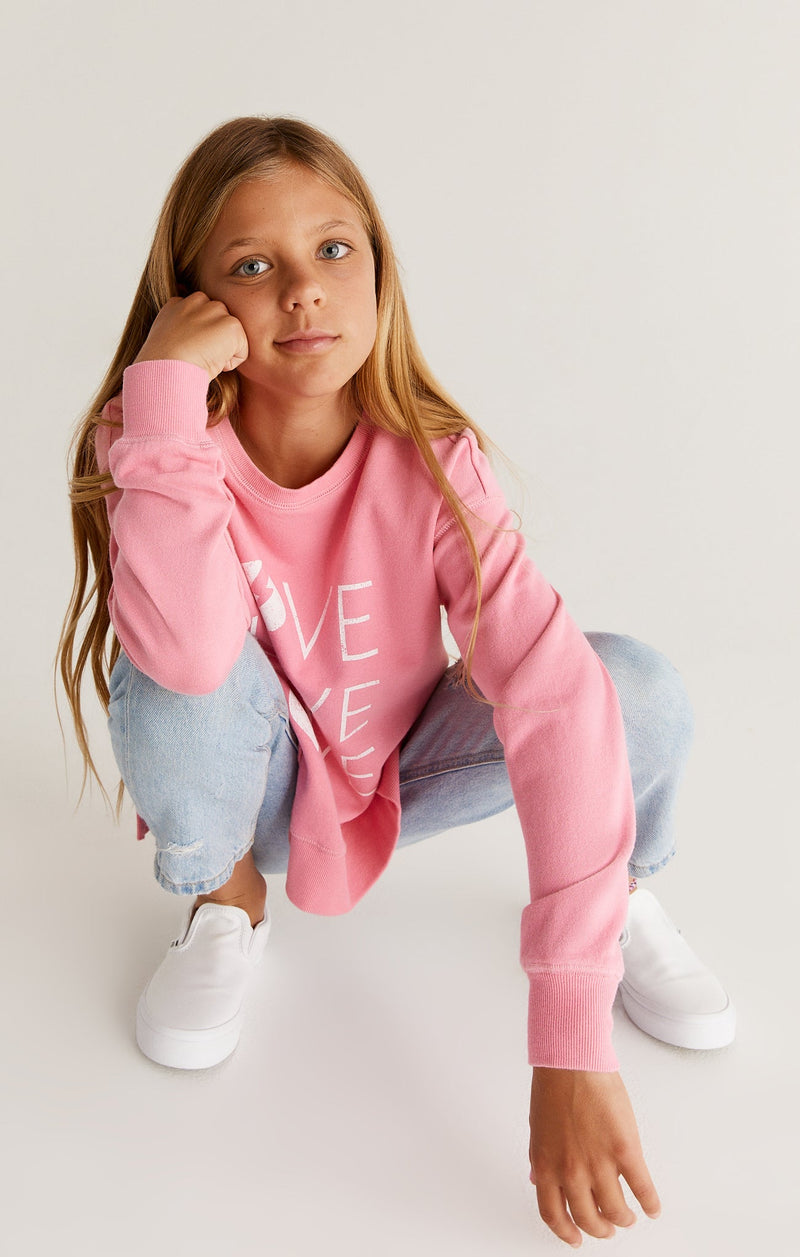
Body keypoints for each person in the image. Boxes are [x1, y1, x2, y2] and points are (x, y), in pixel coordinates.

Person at [58, 115, 734, 1248]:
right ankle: (224, 905)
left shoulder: (430, 457)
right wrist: (163, 392)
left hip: (399, 766)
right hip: (255, 789)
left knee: (629, 687)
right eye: (252, 265)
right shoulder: (162, 442)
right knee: (174, 676)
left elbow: (549, 691)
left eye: (333, 249)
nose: (303, 290)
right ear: (196, 305)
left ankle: (612, 896)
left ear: (377, 269)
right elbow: (183, 659)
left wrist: (567, 1036)